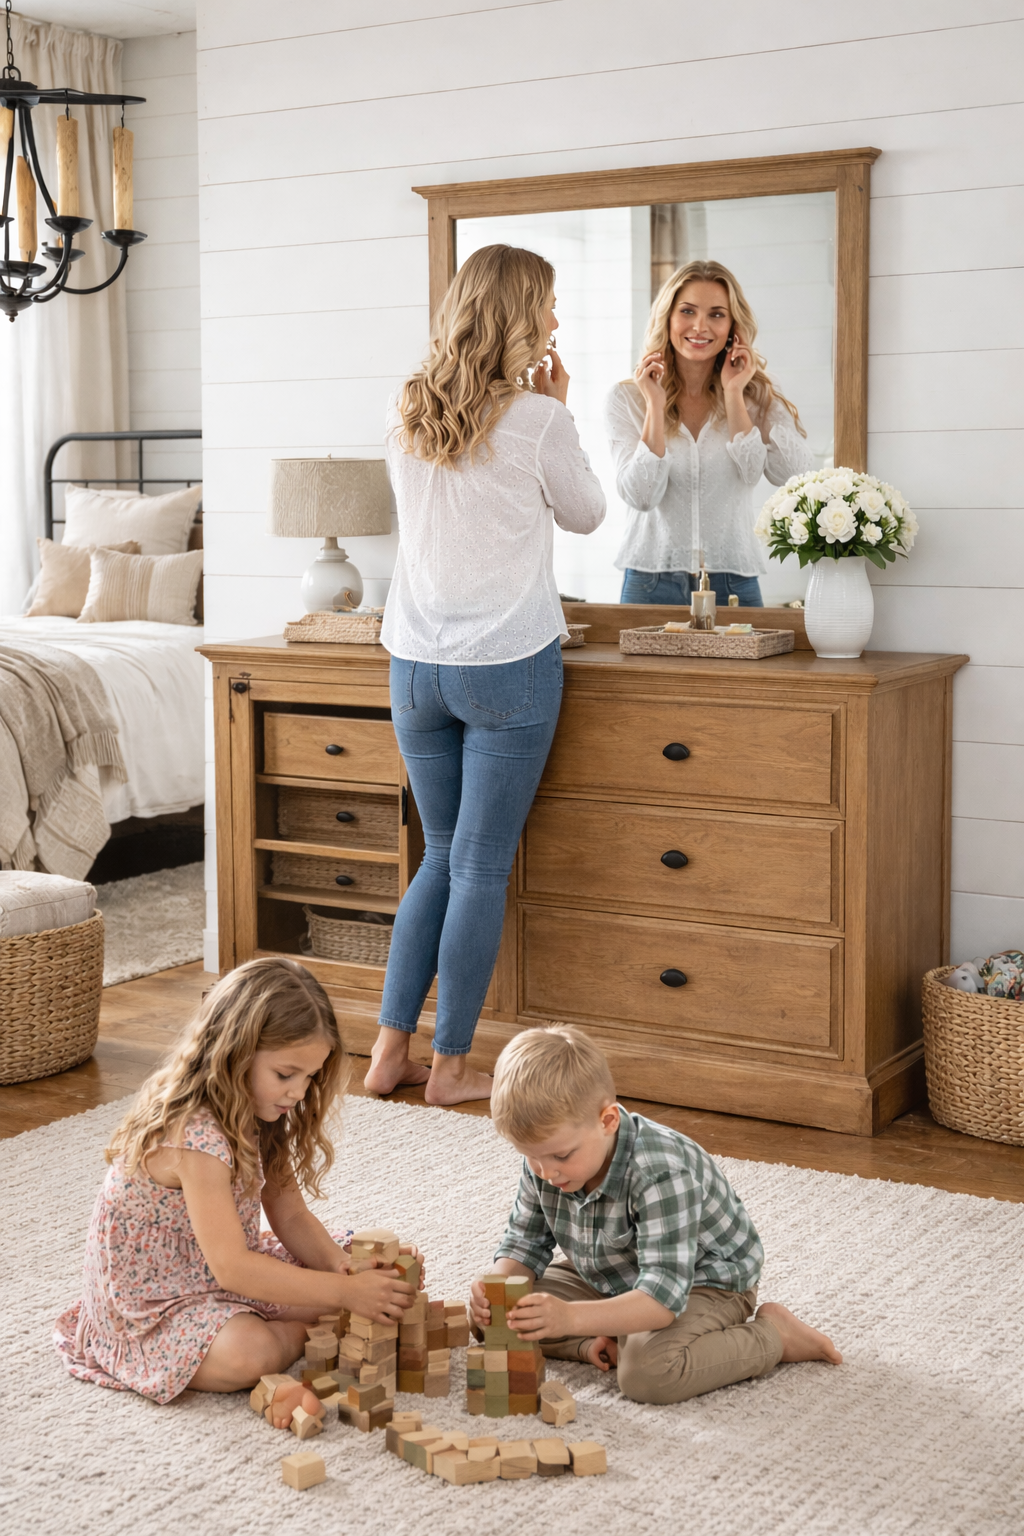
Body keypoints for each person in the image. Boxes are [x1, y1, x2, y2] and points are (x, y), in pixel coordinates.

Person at [364, 245, 606, 1106]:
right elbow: (585, 515)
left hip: (416, 667)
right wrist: (558, 412)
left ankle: (389, 1053)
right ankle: (455, 1070)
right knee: (478, 866)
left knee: (436, 859)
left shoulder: (409, 408)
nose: (554, 322)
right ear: (518, 315)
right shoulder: (538, 419)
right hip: (507, 666)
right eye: (546, 306)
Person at [53, 958, 419, 1423]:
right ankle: (304, 1328)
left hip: (218, 1271)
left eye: (309, 1077)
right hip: (156, 1306)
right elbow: (233, 1268)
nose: (297, 1093)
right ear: (235, 1051)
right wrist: (345, 1296)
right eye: (286, 1074)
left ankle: (323, 1311)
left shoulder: (261, 1109)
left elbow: (290, 1215)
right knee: (251, 1353)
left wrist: (341, 1269)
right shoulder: (194, 1135)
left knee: (388, 1264)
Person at [471, 1024, 842, 1403]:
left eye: (561, 1156)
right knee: (497, 1319)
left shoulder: (660, 1171)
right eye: (530, 1156)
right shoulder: (546, 1160)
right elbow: (524, 1242)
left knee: (648, 1375)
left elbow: (662, 1300)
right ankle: (596, 1341)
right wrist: (496, 1287)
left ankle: (774, 1336)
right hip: (612, 1273)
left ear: (608, 1121)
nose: (546, 1172)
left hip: (703, 1282)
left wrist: (569, 1318)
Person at [607, 258, 814, 608]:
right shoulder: (628, 397)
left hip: (734, 582)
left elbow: (793, 474)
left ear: (734, 326)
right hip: (649, 581)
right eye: (687, 311)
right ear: (668, 316)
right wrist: (655, 408)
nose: (700, 326)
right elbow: (642, 495)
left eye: (717, 314)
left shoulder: (754, 395)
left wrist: (735, 395)